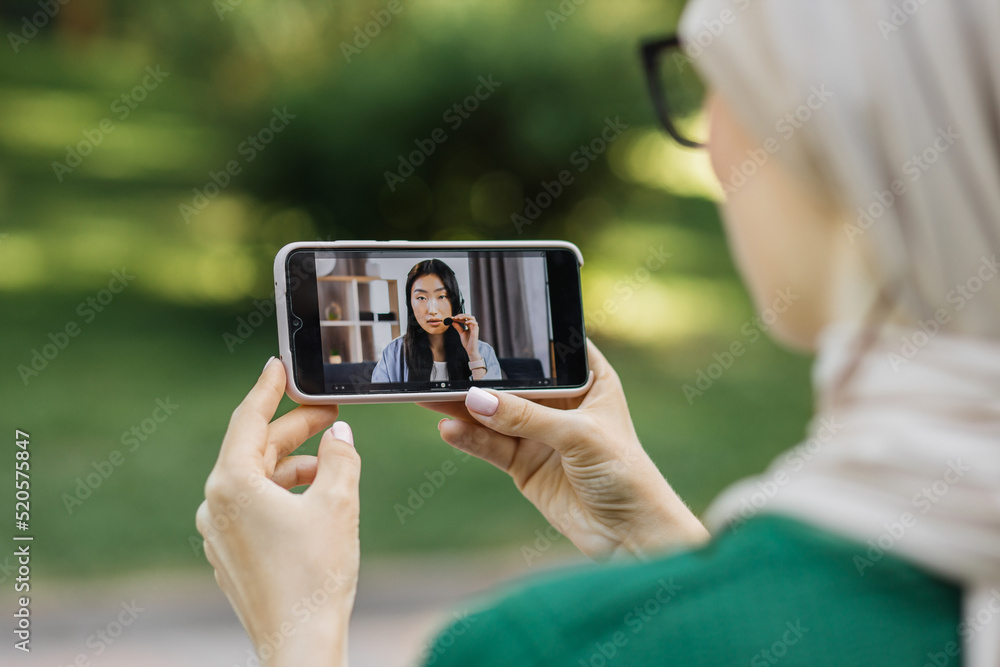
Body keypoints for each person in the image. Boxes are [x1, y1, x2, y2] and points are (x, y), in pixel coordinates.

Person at [195, 1, 1000, 665]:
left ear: (835, 136)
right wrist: (657, 544)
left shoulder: (541, 648)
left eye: (716, 80)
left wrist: (299, 631)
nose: (715, 149)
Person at [370, 259, 502, 383]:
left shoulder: (483, 352)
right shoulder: (394, 352)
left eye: (442, 296)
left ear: (454, 301)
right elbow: (378, 403)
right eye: (421, 298)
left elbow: (491, 404)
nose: (432, 310)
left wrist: (473, 355)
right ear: (410, 303)